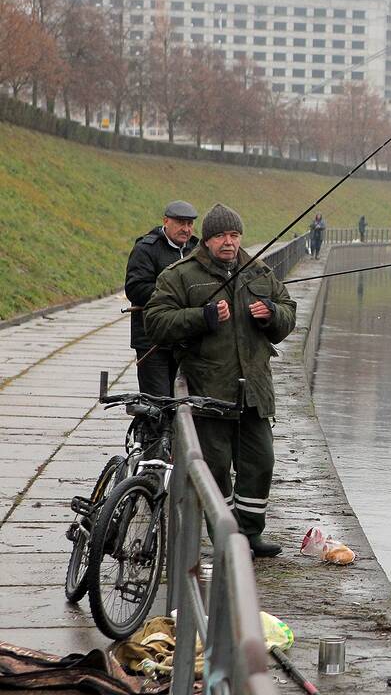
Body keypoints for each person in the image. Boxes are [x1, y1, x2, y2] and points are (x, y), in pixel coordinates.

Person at [144, 204, 297, 557]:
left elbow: (288, 310)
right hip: (208, 392)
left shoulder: (257, 270)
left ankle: (250, 533)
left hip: (254, 391)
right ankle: (225, 537)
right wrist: (203, 316)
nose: (228, 243)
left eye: (234, 236)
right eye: (220, 237)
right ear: (208, 239)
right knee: (214, 469)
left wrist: (272, 314)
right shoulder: (181, 275)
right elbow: (157, 322)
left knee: (261, 462)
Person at [124, 201, 200, 397]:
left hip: (188, 340)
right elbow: (135, 289)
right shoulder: (146, 248)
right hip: (152, 341)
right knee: (158, 403)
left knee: (187, 403)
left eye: (190, 224)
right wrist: (176, 296)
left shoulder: (197, 250)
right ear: (166, 221)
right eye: (180, 223)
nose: (186, 229)